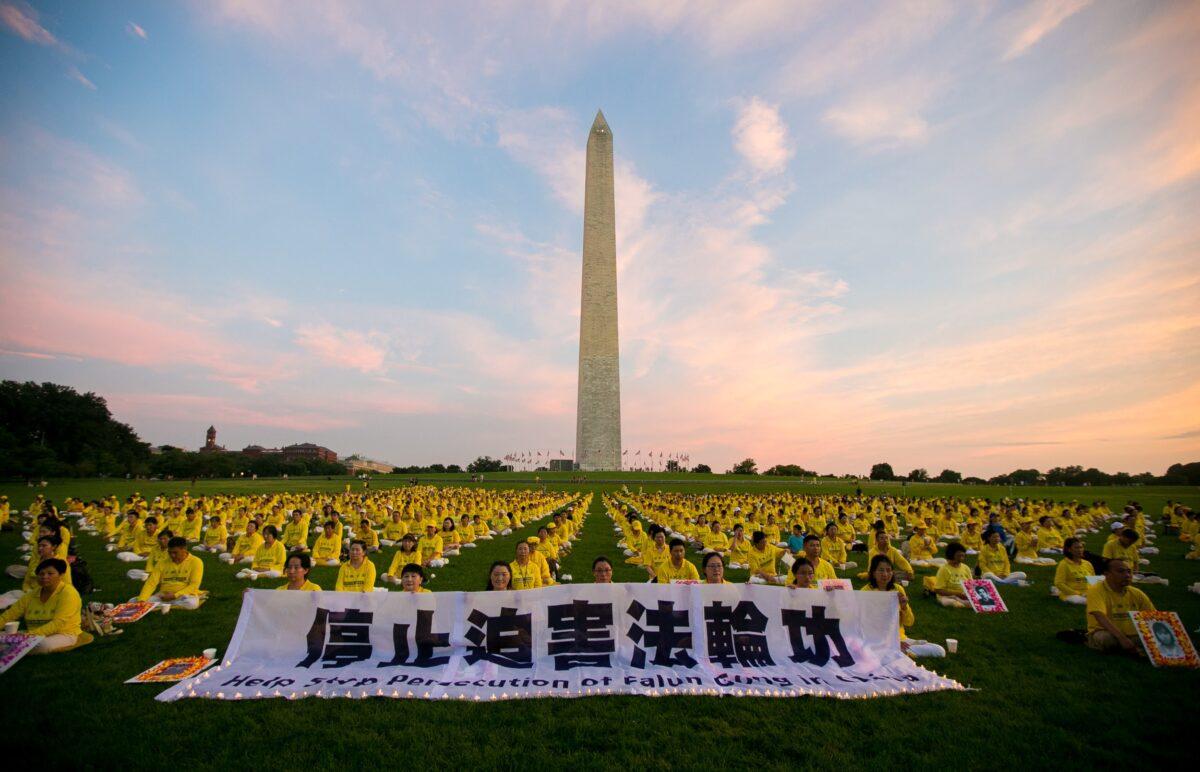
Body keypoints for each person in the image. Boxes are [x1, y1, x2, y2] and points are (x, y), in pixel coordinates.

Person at [863, 554, 945, 657]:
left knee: (940, 650)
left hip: (899, 637)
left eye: (889, 570)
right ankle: (900, 651)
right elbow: (864, 626)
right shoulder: (865, 592)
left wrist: (904, 607)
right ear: (873, 573)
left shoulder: (898, 589)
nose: (885, 574)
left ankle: (902, 651)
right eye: (881, 570)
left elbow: (909, 622)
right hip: (876, 641)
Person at [0, 558, 82, 653]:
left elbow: (58, 623)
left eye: (50, 574)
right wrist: (28, 636)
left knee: (42, 644)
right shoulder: (32, 595)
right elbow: (10, 614)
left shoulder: (68, 593)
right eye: (41, 574)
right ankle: (12, 647)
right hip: (33, 634)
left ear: (61, 575)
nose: (44, 577)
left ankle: (12, 648)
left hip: (62, 634)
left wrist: (27, 636)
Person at [1086, 558, 1155, 655]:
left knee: (1152, 639)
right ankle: (1133, 650)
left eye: (1129, 572)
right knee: (1107, 639)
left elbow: (1153, 616)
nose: (1127, 575)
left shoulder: (1136, 593)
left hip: (1132, 634)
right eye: (1121, 571)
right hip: (1106, 632)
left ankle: (1133, 649)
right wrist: (1122, 639)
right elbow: (1100, 616)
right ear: (1107, 574)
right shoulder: (1096, 590)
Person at [137, 537, 204, 609]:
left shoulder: (196, 562)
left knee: (191, 603)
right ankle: (166, 605)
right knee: (134, 600)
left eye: (175, 552)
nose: (172, 555)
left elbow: (194, 585)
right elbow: (151, 583)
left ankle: (159, 606)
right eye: (169, 552)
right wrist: (142, 599)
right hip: (164, 596)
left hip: (184, 595)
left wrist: (175, 595)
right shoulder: (162, 563)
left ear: (184, 549)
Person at [1052, 537, 1094, 605]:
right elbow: (1059, 583)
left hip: (1088, 592)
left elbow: (1093, 580)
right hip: (1072, 594)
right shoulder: (1064, 564)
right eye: (1076, 548)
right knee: (1090, 602)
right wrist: (1078, 593)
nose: (1080, 550)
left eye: (1081, 547)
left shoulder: (1087, 564)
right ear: (1069, 550)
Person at [929, 542, 973, 608]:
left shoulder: (966, 568)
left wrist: (968, 594)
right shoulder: (944, 569)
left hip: (964, 595)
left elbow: (971, 585)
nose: (961, 558)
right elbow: (938, 590)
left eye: (963, 555)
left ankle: (966, 603)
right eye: (959, 556)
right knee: (953, 603)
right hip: (947, 596)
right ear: (951, 555)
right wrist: (957, 594)